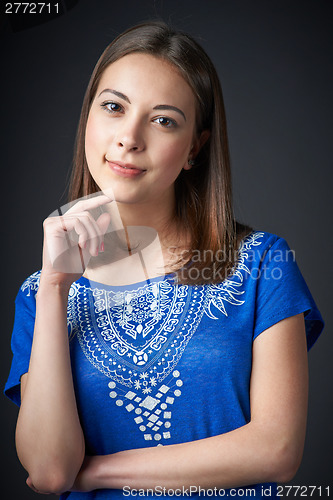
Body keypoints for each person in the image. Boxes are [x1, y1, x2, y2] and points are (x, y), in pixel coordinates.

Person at [4, 21, 324, 499]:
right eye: (113, 107)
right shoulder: (40, 293)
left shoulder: (260, 265)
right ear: (88, 118)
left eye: (164, 120)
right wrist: (55, 288)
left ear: (195, 147)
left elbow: (277, 451)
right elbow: (50, 473)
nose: (129, 138)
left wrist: (95, 474)